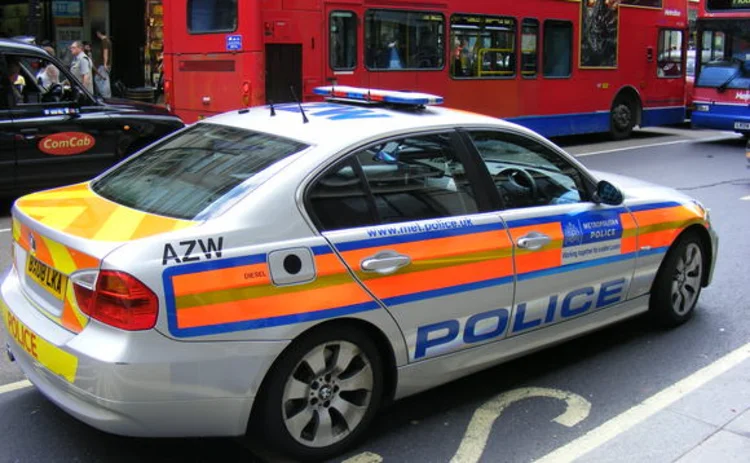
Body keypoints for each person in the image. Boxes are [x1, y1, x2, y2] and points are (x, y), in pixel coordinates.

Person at [93, 28, 112, 97]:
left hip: (102, 65)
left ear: (99, 33)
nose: (97, 35)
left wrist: (105, 64)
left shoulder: (104, 41)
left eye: (97, 33)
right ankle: (104, 96)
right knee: (101, 80)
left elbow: (105, 52)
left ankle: (105, 97)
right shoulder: (107, 41)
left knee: (101, 80)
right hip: (104, 65)